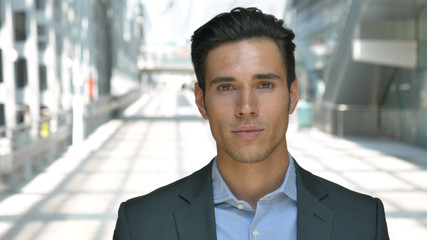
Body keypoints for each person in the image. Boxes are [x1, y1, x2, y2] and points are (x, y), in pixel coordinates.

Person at [113, 7, 389, 240]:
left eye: (265, 84)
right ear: (201, 101)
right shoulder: (140, 225)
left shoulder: (363, 222)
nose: (246, 108)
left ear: (293, 96)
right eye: (226, 87)